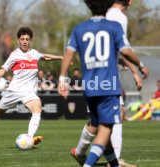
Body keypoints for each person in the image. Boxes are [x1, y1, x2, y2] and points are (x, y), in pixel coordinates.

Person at [58, 0, 149, 166]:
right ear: (108, 5)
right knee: (105, 129)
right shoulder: (113, 26)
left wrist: (62, 79)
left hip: (89, 85)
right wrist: (140, 66)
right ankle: (88, 164)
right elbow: (125, 51)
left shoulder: (79, 28)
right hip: (108, 84)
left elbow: (68, 54)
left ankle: (112, 163)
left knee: (98, 123)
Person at [0, 27, 63, 145]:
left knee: (37, 108)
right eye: (22, 39)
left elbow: (45, 57)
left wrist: (61, 58)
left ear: (30, 41)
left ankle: (30, 137)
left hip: (29, 92)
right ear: (18, 40)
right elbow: (3, 70)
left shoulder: (34, 53)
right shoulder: (14, 55)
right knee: (0, 112)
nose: (25, 41)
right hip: (14, 91)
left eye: (27, 39)